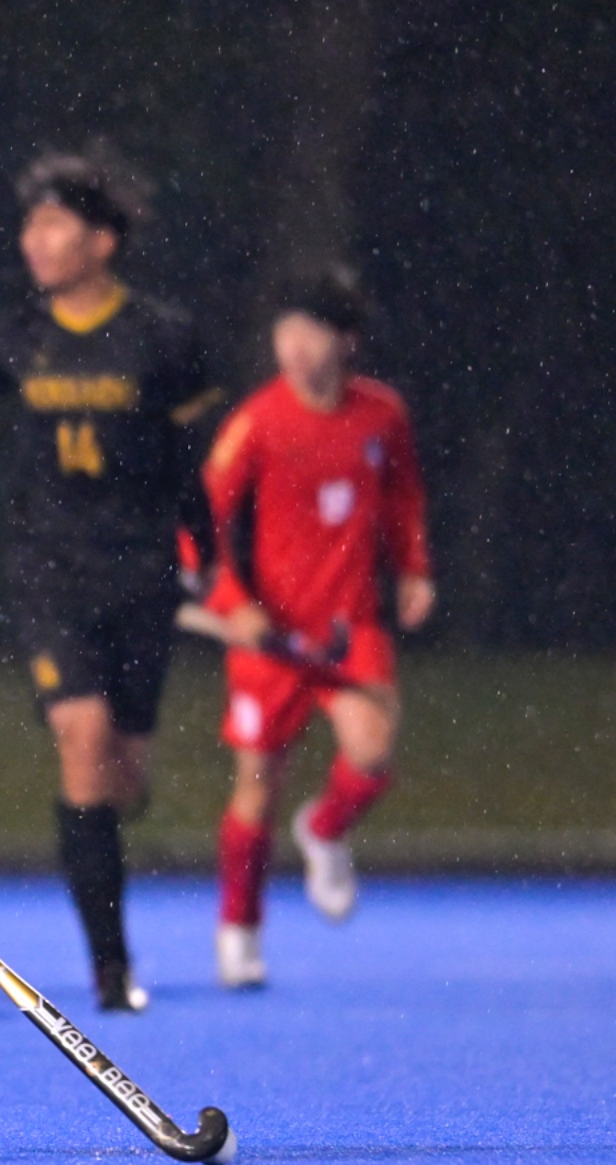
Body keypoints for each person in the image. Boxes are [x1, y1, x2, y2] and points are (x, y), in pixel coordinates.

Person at [0, 148, 223, 1011]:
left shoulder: (163, 337)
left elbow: (196, 463)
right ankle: (110, 968)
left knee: (121, 774)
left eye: (52, 224)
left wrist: (217, 563)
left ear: (101, 241)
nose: (32, 241)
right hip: (50, 569)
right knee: (82, 738)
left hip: (142, 573)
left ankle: (107, 823)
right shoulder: (16, 334)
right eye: (29, 224)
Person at [201, 268, 432, 987]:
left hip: (349, 625)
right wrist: (232, 602)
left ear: (347, 341)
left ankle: (324, 830)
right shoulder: (256, 422)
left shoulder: (382, 414)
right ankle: (239, 931)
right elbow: (200, 525)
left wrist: (414, 568)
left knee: (372, 750)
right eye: (285, 332)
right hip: (270, 638)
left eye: (312, 332)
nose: (295, 347)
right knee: (257, 787)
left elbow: (403, 494)